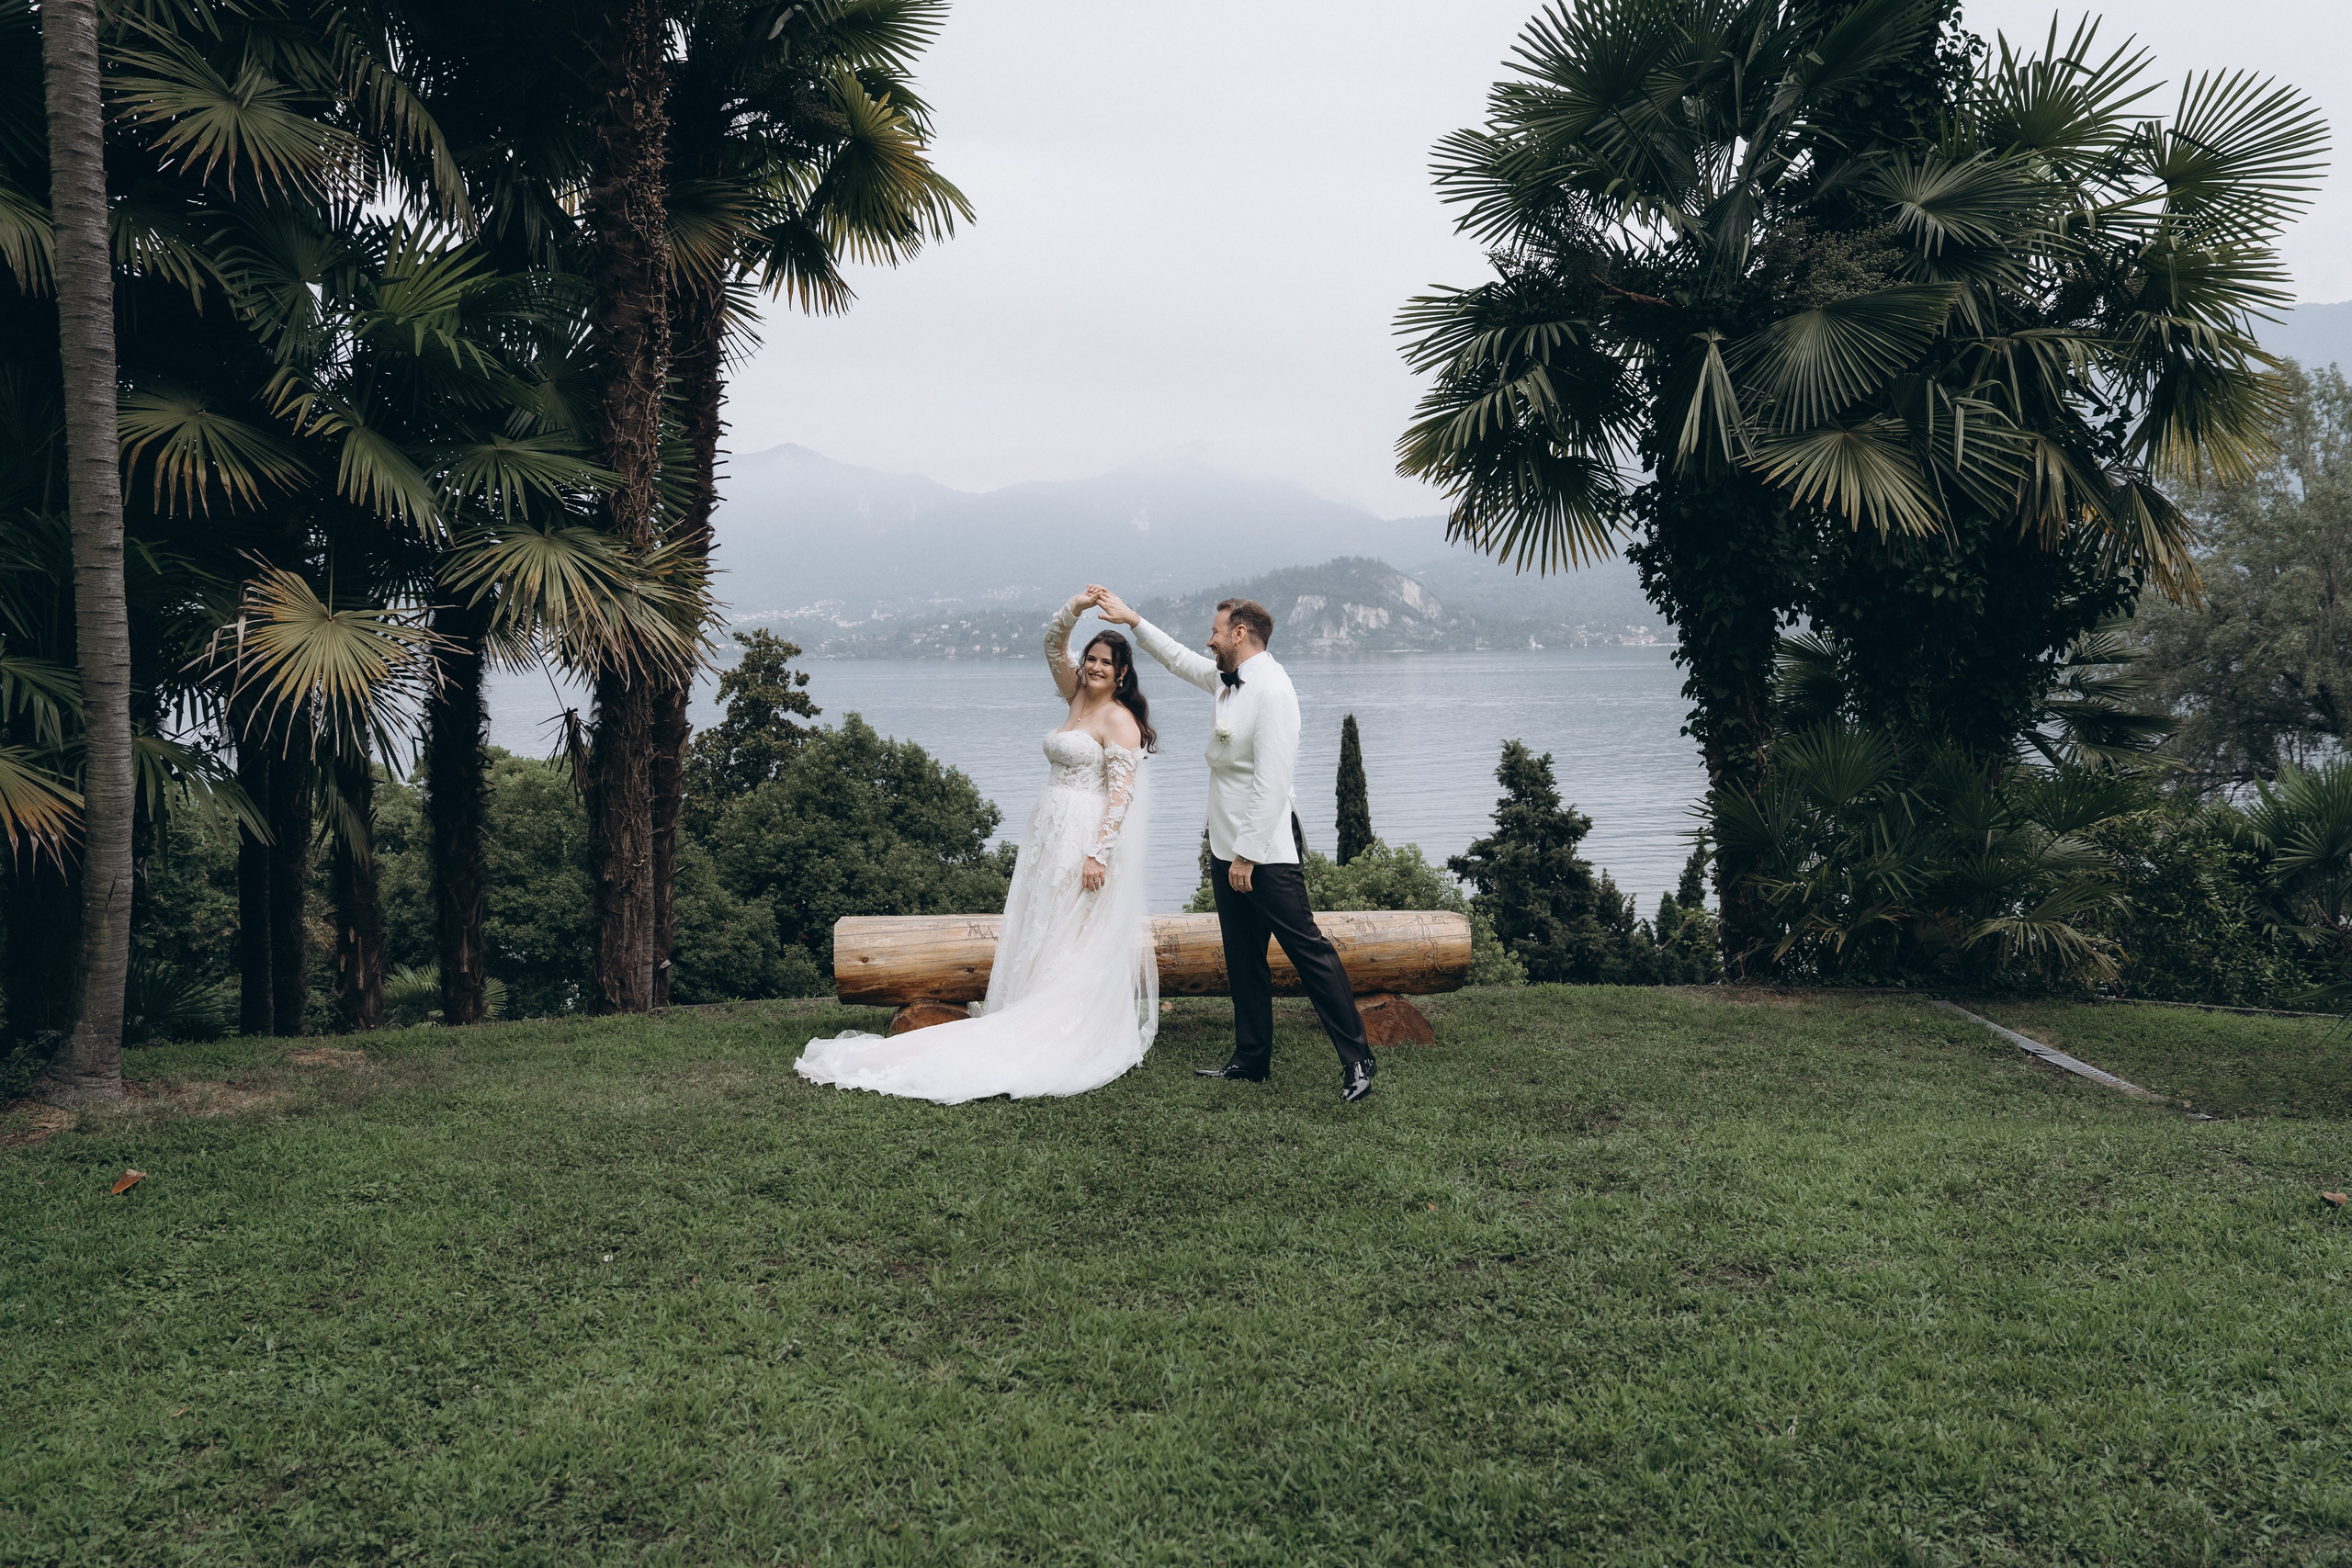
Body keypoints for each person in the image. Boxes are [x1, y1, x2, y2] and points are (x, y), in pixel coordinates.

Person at [795, 592, 1158, 1102]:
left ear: (1122, 674)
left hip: (1083, 835)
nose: (1095, 668)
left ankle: (1061, 1024)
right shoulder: (1075, 694)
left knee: (1070, 930)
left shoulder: (1118, 718)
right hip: (1047, 830)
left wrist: (1098, 854)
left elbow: (1121, 795)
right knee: (1039, 918)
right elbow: (1052, 645)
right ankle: (1025, 1003)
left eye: (1106, 663)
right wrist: (1074, 609)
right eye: (1092, 659)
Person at [1086, 585, 1377, 1101]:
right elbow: (1177, 659)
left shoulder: (1274, 691)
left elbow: (1272, 780)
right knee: (1243, 959)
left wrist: (1246, 856)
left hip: (1263, 853)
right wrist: (1132, 619)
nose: (1209, 639)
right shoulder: (1227, 681)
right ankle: (1251, 1059)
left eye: (1216, 632)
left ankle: (1358, 1060)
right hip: (1225, 849)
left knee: (1308, 952)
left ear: (1239, 633)